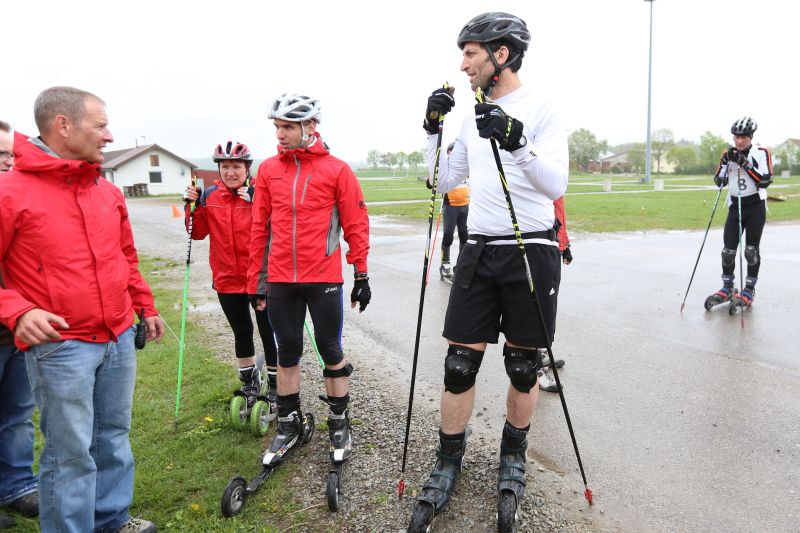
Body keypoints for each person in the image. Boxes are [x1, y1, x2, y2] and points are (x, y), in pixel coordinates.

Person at [411, 12, 568, 526]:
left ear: (501, 55)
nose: (463, 64)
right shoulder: (471, 117)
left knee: (523, 366)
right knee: (458, 365)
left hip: (532, 248)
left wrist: (516, 139)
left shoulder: (541, 110)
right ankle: (447, 461)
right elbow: (442, 181)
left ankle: (513, 458)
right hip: (479, 250)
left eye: (471, 53)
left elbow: (555, 184)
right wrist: (433, 130)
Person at [0, 87, 165, 533]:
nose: (109, 136)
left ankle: (111, 519)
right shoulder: (9, 192)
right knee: (69, 454)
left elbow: (125, 256)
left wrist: (144, 305)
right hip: (61, 346)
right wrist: (17, 310)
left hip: (118, 336)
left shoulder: (105, 191)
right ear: (63, 125)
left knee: (113, 438)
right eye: (101, 125)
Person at [247, 93, 370, 472]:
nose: (279, 134)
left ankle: (339, 423)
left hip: (324, 278)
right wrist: (257, 281)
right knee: (287, 351)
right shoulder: (268, 170)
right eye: (277, 127)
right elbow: (259, 228)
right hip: (281, 279)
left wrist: (361, 273)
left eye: (287, 127)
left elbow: (355, 223)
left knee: (331, 348)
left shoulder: (337, 170)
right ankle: (288, 425)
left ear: (310, 126)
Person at [184, 142, 279, 418]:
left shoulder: (260, 191)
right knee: (241, 332)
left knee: (268, 332)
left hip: (260, 278)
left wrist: (260, 200)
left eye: (236, 166)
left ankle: (276, 387)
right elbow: (197, 233)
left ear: (247, 168)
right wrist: (192, 206)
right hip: (226, 278)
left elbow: (279, 226)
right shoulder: (210, 195)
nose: (230, 172)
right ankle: (250, 383)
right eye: (224, 166)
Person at [0, 120, 37, 530]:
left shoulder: (17, 198)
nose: (9, 161)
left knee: (17, 415)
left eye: (11, 154)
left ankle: (16, 486)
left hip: (17, 334)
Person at [709, 117, 773, 307]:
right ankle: (727, 287)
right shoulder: (728, 153)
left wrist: (744, 163)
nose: (739, 141)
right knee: (727, 252)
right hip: (735, 206)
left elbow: (765, 180)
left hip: (755, 207)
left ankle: (749, 290)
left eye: (744, 137)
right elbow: (719, 181)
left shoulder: (761, 153)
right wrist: (725, 163)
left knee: (751, 251)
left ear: (751, 137)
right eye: (736, 137)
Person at [537, 196, 572, 392]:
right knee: (537, 309)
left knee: (548, 308)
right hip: (539, 247)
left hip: (554, 245)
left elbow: (558, 211)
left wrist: (565, 245)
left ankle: (541, 353)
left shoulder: (556, 180)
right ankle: (533, 368)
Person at [438, 142, 469, 283]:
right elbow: (432, 181)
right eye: (451, 152)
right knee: (448, 237)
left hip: (465, 206)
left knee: (465, 237)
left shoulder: (466, 166)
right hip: (450, 207)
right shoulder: (446, 167)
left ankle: (460, 266)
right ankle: (445, 265)